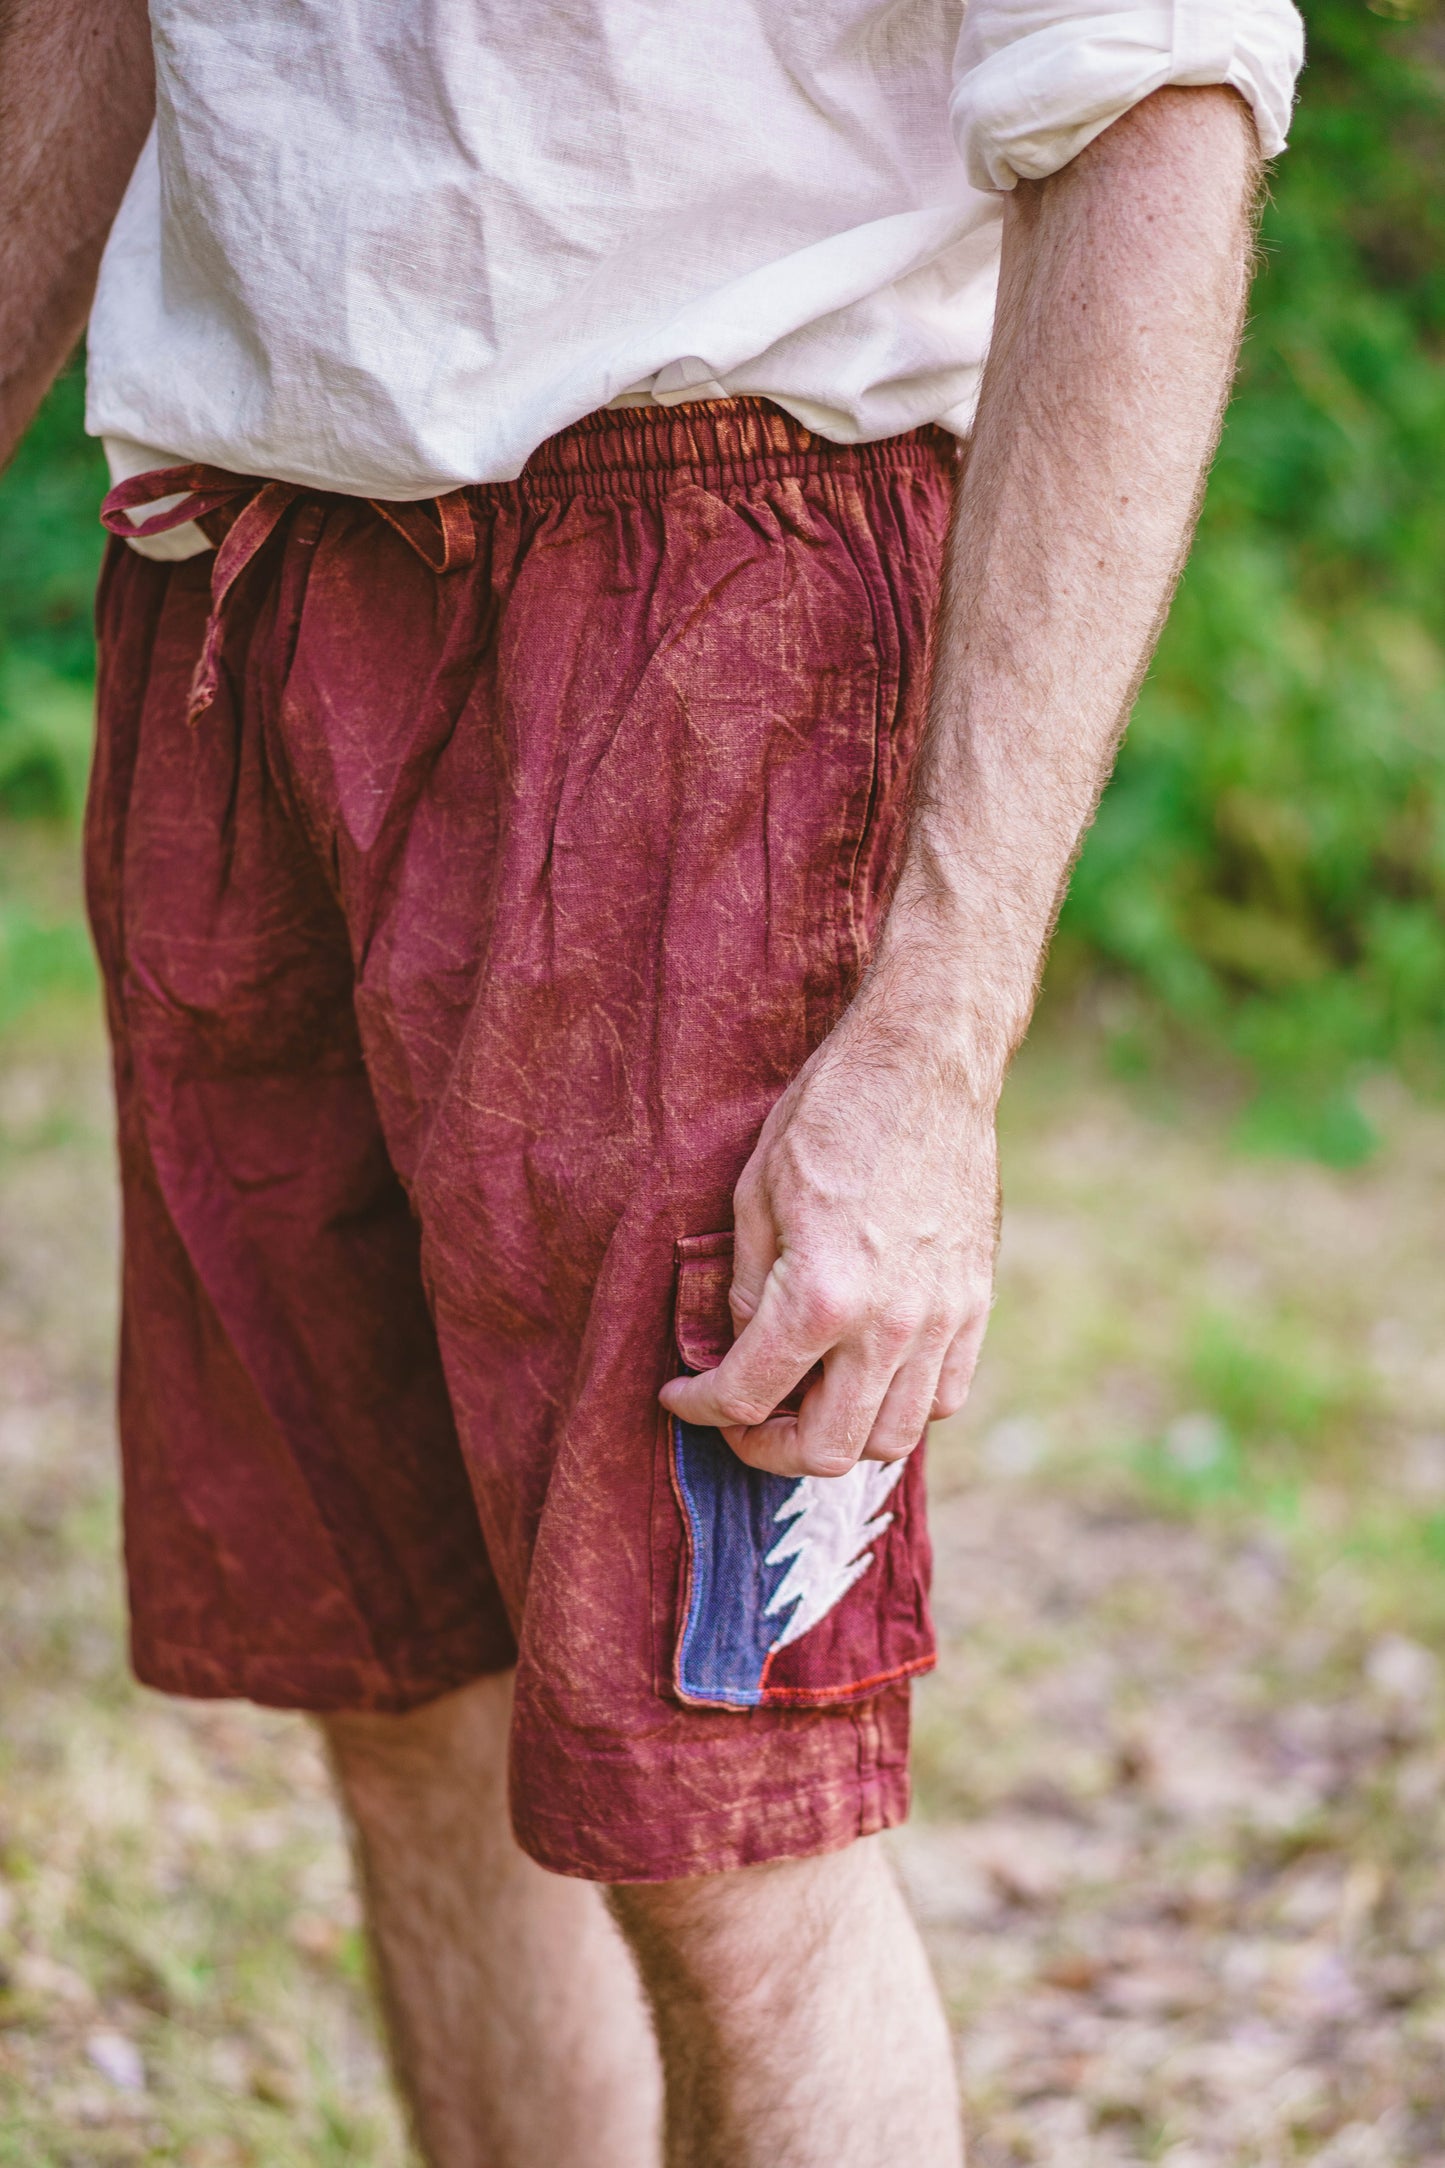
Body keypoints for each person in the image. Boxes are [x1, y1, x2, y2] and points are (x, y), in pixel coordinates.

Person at [0, 1, 1304, 2160]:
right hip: (241, 584)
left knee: (730, 1826)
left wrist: (936, 1028)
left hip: (713, 609)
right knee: (402, 1690)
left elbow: (1154, 102)